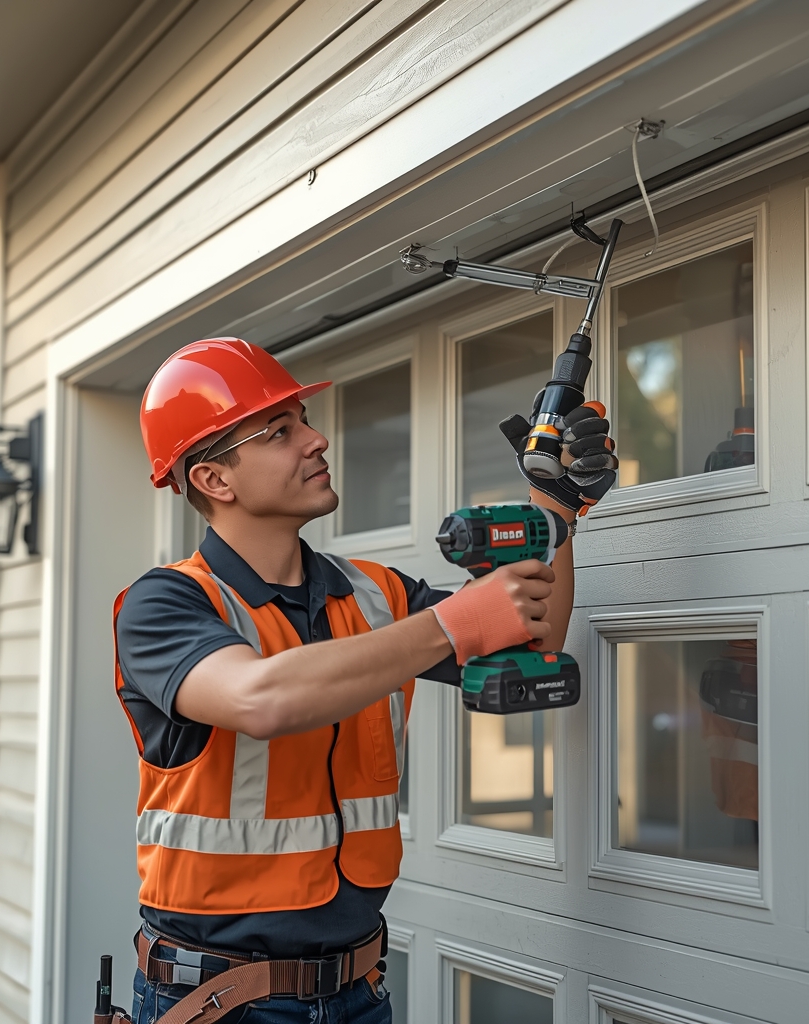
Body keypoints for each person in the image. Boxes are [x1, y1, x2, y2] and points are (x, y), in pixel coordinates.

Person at [114, 338, 616, 1024]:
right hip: (218, 1002)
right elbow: (260, 698)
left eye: (304, 421)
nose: (316, 440)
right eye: (280, 432)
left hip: (357, 992)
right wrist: (453, 623)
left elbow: (537, 640)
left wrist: (552, 510)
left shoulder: (376, 594)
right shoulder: (165, 603)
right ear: (214, 480)